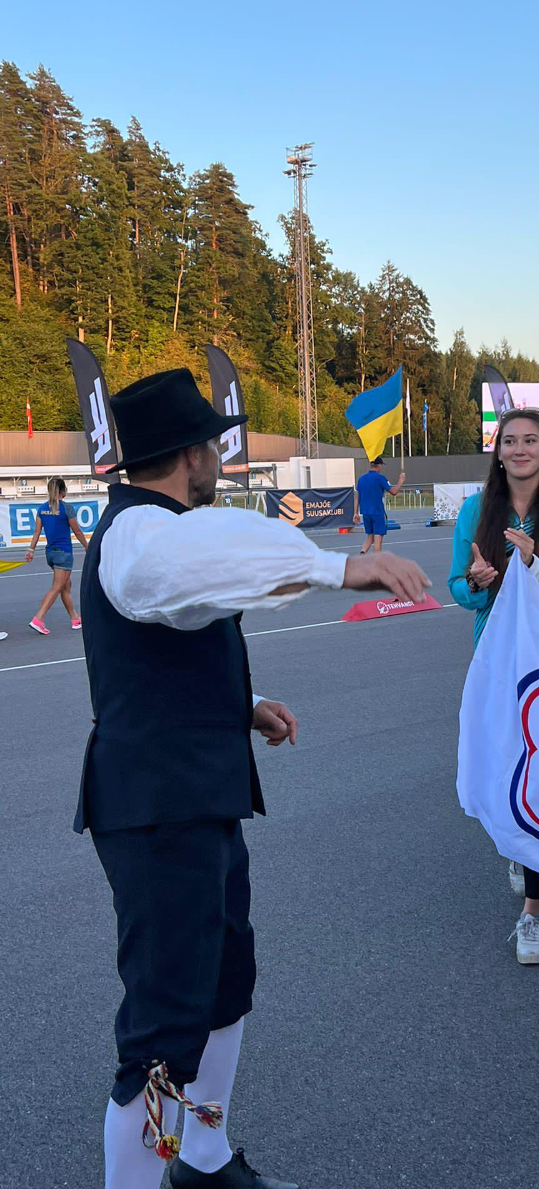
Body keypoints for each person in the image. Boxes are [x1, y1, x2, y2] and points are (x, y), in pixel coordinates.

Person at [77, 369, 430, 1189]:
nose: (221, 460)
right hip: (157, 808)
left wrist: (244, 704)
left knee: (224, 986)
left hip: (195, 797)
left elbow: (174, 628)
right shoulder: (140, 532)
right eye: (214, 445)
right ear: (189, 453)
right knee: (163, 1029)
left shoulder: (160, 529)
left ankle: (203, 1159)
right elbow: (188, 574)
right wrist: (337, 569)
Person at [448, 409, 539, 965]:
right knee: (505, 763)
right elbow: (458, 587)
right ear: (499, 451)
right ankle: (515, 841)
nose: (520, 449)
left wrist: (531, 564)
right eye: (510, 441)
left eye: (531, 440)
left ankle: (532, 913)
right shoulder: (475, 509)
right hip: (495, 655)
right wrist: (477, 581)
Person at [24, 476, 89, 634]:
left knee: (66, 585)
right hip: (63, 553)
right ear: (63, 491)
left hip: (51, 553)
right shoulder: (67, 508)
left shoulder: (42, 509)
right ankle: (38, 618)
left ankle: (75, 618)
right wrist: (88, 546)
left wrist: (31, 550)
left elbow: (37, 532)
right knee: (57, 587)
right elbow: (77, 531)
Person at [353, 456, 405, 552]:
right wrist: (400, 481)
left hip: (366, 512)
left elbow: (357, 496)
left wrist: (355, 513)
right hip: (377, 512)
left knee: (370, 537)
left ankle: (362, 554)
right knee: (378, 540)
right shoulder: (380, 478)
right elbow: (394, 491)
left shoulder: (361, 479)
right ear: (379, 465)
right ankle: (376, 560)